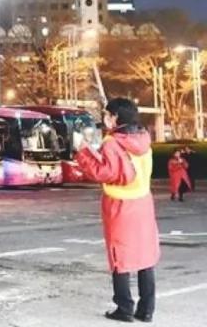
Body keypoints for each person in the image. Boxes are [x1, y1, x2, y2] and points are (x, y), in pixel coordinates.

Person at [75, 98, 160, 323]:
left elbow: (104, 173)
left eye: (107, 114)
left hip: (120, 205)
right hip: (143, 202)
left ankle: (124, 307)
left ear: (115, 118)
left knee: (119, 256)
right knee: (145, 256)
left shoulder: (113, 142)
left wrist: (83, 152)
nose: (105, 118)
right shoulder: (143, 138)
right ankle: (147, 309)